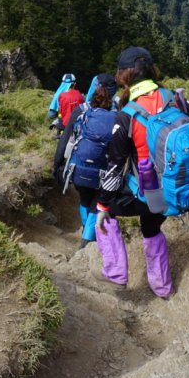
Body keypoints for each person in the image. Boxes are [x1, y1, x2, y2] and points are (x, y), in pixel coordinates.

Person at [94, 46, 189, 298]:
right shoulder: (175, 98)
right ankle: (162, 287)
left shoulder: (126, 115)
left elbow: (115, 166)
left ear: (123, 75)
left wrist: (103, 206)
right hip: (173, 189)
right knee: (151, 227)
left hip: (147, 193)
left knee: (106, 213)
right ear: (151, 70)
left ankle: (115, 275)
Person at [53, 73, 118, 248]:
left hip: (78, 168)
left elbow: (65, 140)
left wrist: (57, 164)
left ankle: (85, 231)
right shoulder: (120, 115)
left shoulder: (81, 110)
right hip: (103, 172)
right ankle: (88, 241)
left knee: (84, 198)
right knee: (95, 203)